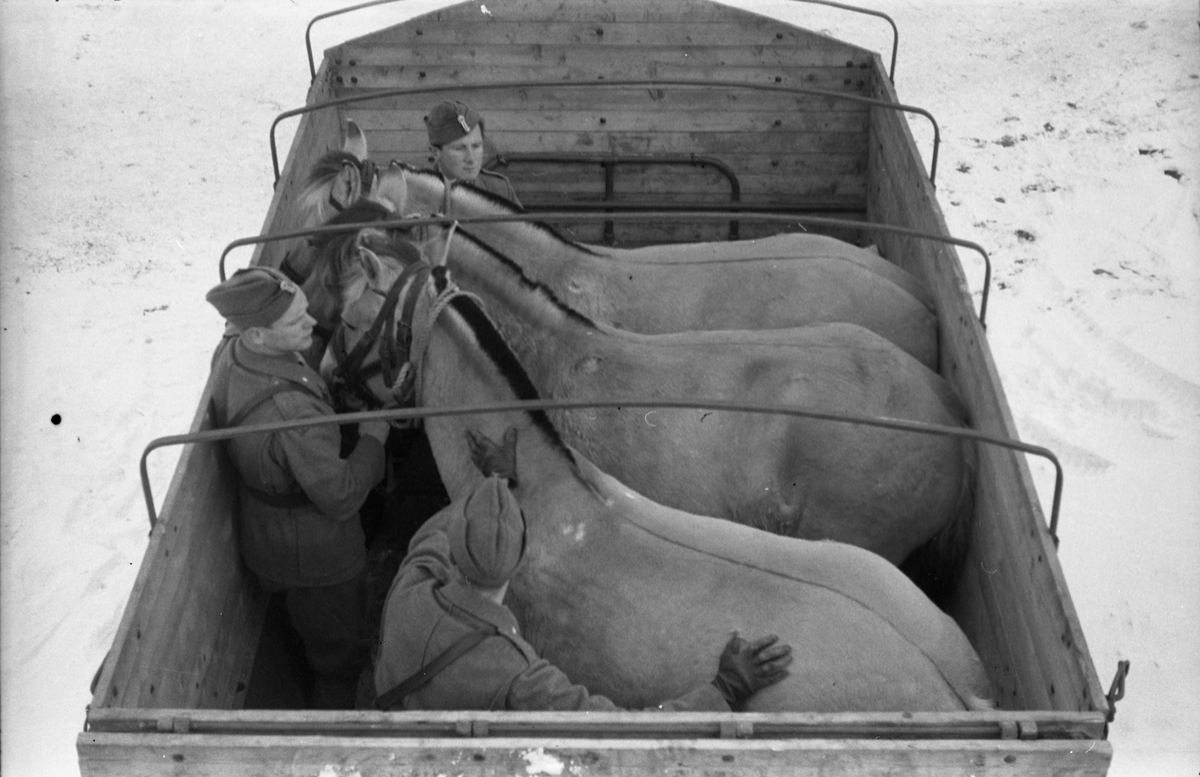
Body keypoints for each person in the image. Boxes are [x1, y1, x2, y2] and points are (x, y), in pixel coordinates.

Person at [374, 429, 793, 711]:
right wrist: (723, 690)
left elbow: (436, 534)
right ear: (521, 559)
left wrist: (494, 484)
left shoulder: (413, 582)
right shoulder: (516, 673)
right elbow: (622, 732)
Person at [206, 266, 393, 709]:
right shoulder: (290, 412)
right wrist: (373, 439)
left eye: (306, 312)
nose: (312, 324)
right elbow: (341, 494)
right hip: (315, 557)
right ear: (257, 337)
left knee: (317, 632)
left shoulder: (235, 352)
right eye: (295, 322)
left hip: (273, 536)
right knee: (339, 657)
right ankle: (333, 725)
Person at [425, 100, 522, 206]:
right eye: (459, 149)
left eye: (476, 146)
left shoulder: (500, 189)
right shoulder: (418, 192)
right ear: (435, 152)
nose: (471, 159)